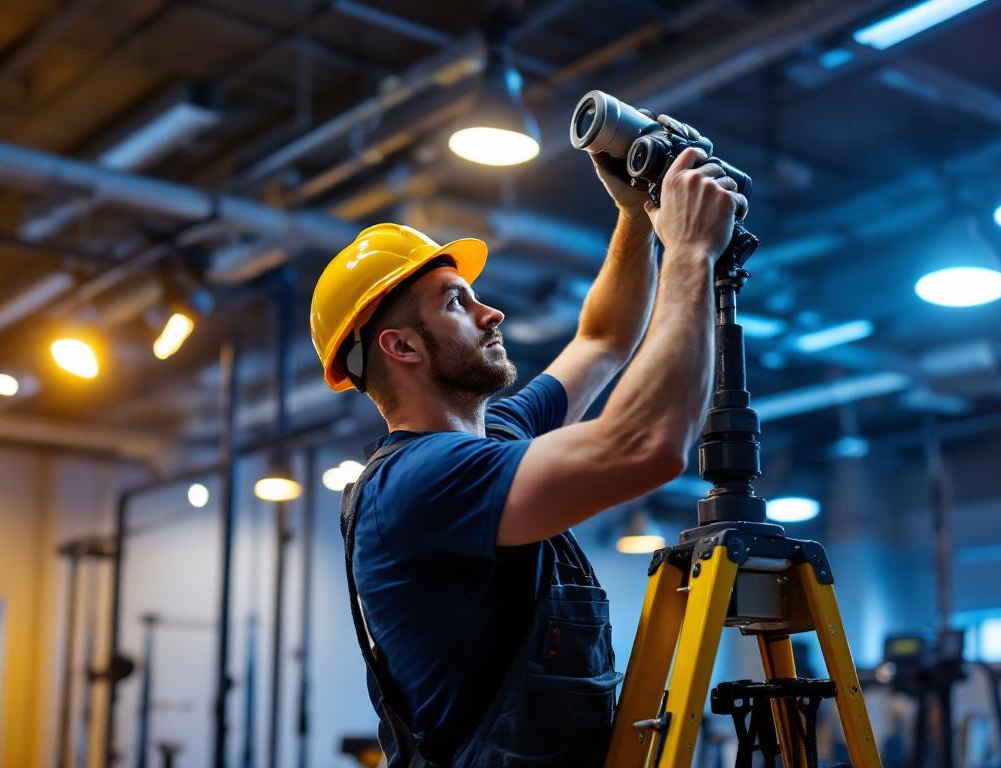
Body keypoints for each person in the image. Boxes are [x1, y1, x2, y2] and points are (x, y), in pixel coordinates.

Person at [308, 126, 747, 766]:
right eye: (457, 303)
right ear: (400, 347)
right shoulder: (419, 482)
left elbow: (602, 340)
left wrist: (636, 217)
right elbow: (646, 445)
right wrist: (689, 253)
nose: (493, 315)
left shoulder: (494, 440)